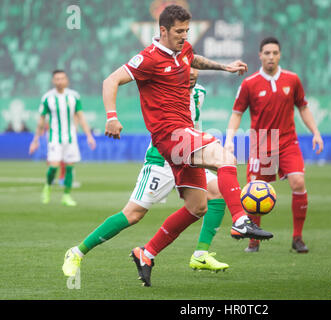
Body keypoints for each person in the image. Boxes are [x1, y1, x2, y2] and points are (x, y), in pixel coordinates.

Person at [63, 5, 273, 287]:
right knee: (224, 157)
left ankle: (145, 253)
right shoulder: (148, 58)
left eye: (187, 31)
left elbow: (193, 57)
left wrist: (223, 66)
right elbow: (111, 80)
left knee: (197, 206)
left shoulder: (183, 51)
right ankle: (240, 219)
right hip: (170, 136)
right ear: (162, 30)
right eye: (178, 32)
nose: (184, 36)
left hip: (183, 137)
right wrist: (111, 117)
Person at [62, 67, 230, 278]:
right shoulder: (164, 92)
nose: (193, 73)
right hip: (162, 160)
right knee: (133, 214)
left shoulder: (200, 94)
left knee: (214, 194)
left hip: (187, 157)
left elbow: (194, 126)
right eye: (188, 69)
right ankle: (77, 252)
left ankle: (200, 253)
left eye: (195, 68)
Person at [224, 37, 323, 253]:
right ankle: (254, 239)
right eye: (267, 53)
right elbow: (237, 113)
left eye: (275, 53)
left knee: (298, 182)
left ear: (280, 55)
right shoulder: (249, 83)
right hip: (260, 147)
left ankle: (297, 238)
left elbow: (303, 107)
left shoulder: (292, 80)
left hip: (288, 142)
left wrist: (315, 132)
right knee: (255, 192)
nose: (271, 57)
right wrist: (229, 140)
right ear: (260, 55)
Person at [29, 70, 96, 206]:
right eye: (57, 79)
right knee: (53, 167)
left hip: (71, 138)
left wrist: (89, 136)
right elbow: (41, 120)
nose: (59, 81)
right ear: (53, 81)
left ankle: (66, 196)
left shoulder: (74, 96)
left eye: (62, 78)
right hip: (54, 138)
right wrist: (35, 140)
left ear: (67, 80)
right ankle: (47, 187)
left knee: (70, 168)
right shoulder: (47, 98)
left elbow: (81, 117)